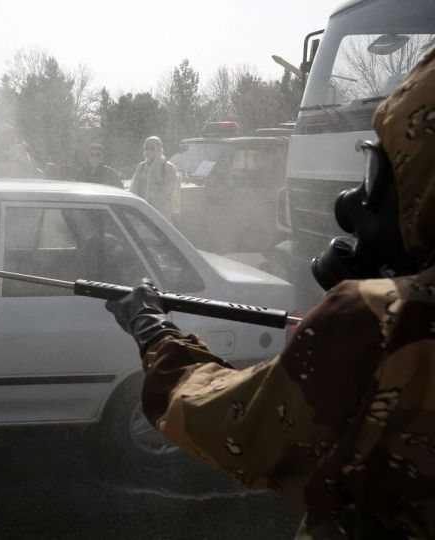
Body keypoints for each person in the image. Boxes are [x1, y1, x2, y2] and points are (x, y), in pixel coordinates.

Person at [107, 50, 435, 538]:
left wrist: (153, 332)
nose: (352, 201)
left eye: (379, 171)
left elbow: (238, 427)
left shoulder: (382, 321)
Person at [130, 136, 177, 219]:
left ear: (159, 149)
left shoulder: (168, 168)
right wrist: (138, 204)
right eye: (146, 148)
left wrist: (152, 202)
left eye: (152, 148)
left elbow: (167, 191)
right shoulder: (141, 166)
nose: (148, 151)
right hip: (142, 212)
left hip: (162, 214)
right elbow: (134, 188)